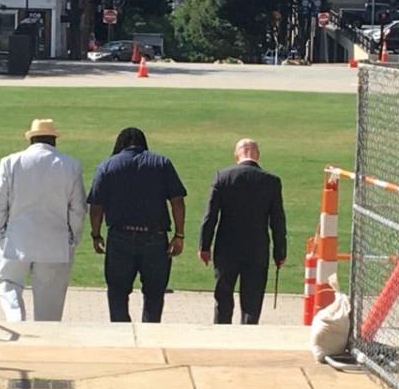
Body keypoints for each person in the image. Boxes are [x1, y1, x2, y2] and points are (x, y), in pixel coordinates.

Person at [0, 119, 86, 322]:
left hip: (16, 240)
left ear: (31, 139)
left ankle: (17, 324)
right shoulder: (70, 165)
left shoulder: (11, 162)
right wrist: (72, 238)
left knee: (9, 285)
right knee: (49, 306)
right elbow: (77, 209)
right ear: (54, 140)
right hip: (54, 241)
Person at [88, 127, 187, 323]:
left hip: (120, 237)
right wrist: (179, 234)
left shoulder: (107, 166)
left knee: (117, 292)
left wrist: (96, 234)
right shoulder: (161, 163)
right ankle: (149, 336)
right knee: (154, 294)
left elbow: (96, 206)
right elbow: (177, 201)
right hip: (155, 238)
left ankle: (121, 334)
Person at [199, 138, 286, 325]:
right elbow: (278, 221)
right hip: (257, 249)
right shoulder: (271, 182)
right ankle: (248, 335)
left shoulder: (222, 177)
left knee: (223, 297)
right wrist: (280, 253)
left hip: (226, 248)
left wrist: (204, 246)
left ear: (236, 154)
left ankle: (221, 335)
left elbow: (210, 216)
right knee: (252, 302)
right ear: (258, 155)